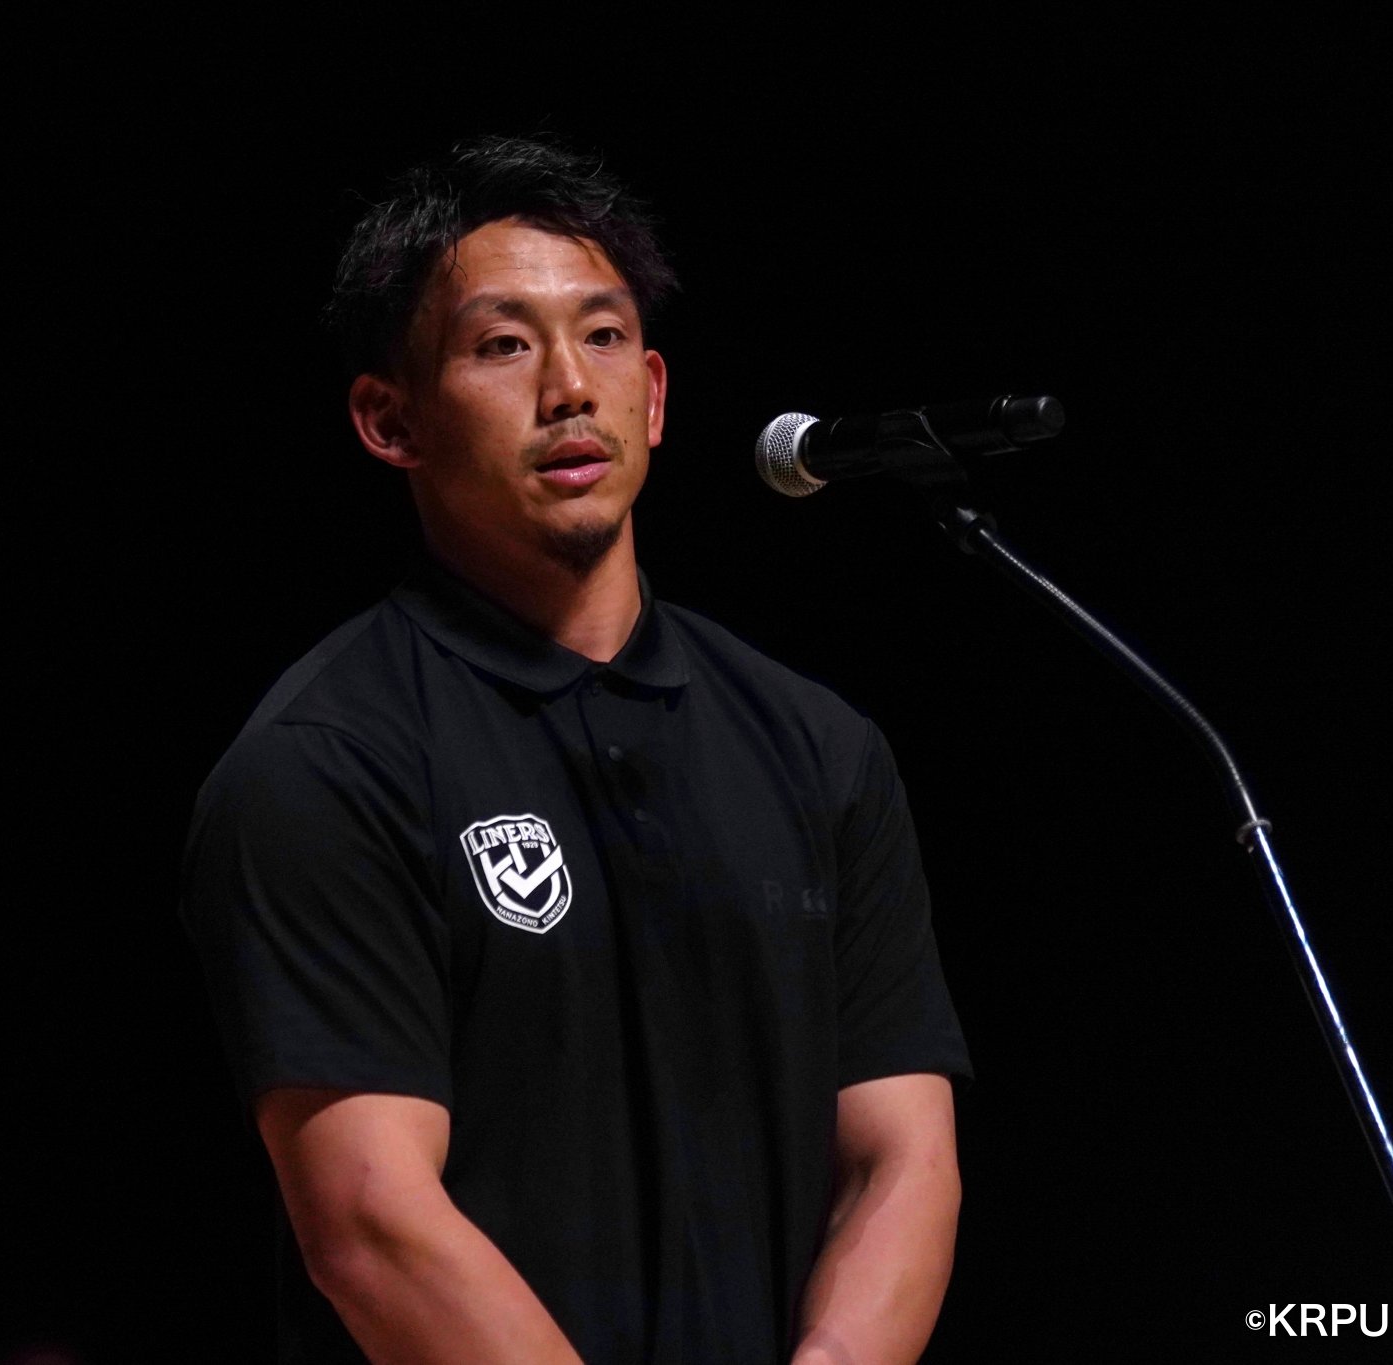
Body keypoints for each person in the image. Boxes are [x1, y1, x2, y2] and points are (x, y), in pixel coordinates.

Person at [180, 135, 971, 1364]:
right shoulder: (325, 764)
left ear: (652, 395)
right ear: (390, 420)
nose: (567, 389)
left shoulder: (818, 746)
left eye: (601, 337)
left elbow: (899, 1155)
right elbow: (372, 1224)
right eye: (502, 346)